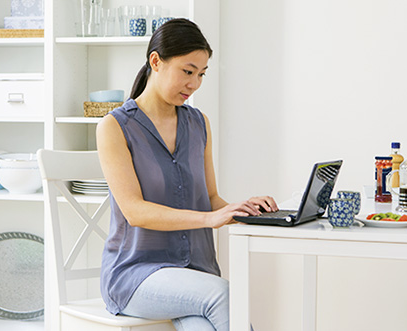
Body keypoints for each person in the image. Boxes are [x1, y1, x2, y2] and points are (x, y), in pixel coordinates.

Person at [96, 18, 278, 331]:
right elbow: (134, 212)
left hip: (197, 273)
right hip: (136, 275)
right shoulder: (114, 127)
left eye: (201, 74)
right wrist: (209, 219)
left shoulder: (199, 123)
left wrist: (244, 210)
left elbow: (209, 199)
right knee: (223, 296)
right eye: (188, 71)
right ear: (156, 61)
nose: (194, 84)